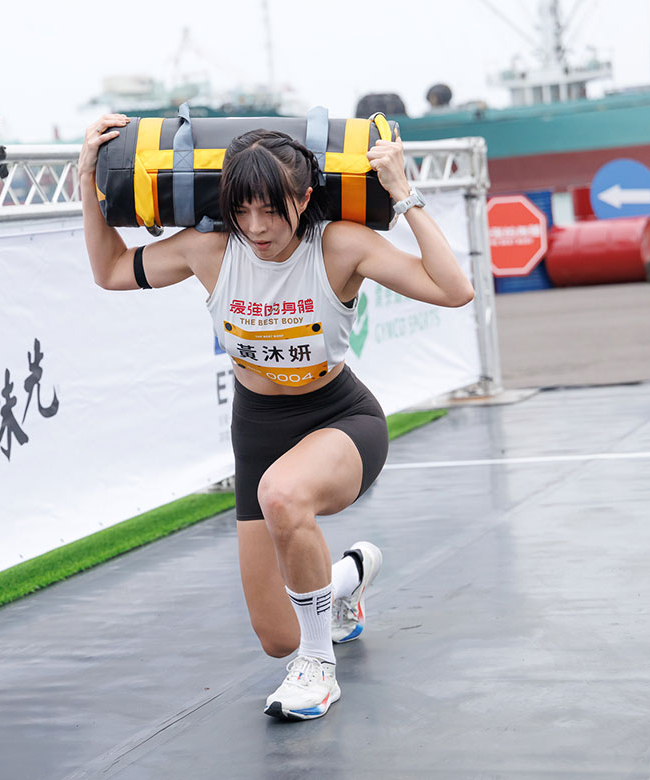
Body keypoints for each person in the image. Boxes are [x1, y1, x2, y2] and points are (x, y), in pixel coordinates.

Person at [79, 113, 473, 721]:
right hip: (259, 427)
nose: (258, 227)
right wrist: (87, 180)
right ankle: (345, 581)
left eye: (272, 209)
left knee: (284, 495)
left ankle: (317, 669)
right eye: (242, 210)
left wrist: (403, 192)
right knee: (276, 636)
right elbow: (109, 271)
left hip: (340, 417)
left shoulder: (340, 245)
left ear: (305, 198)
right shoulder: (208, 250)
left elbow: (453, 290)